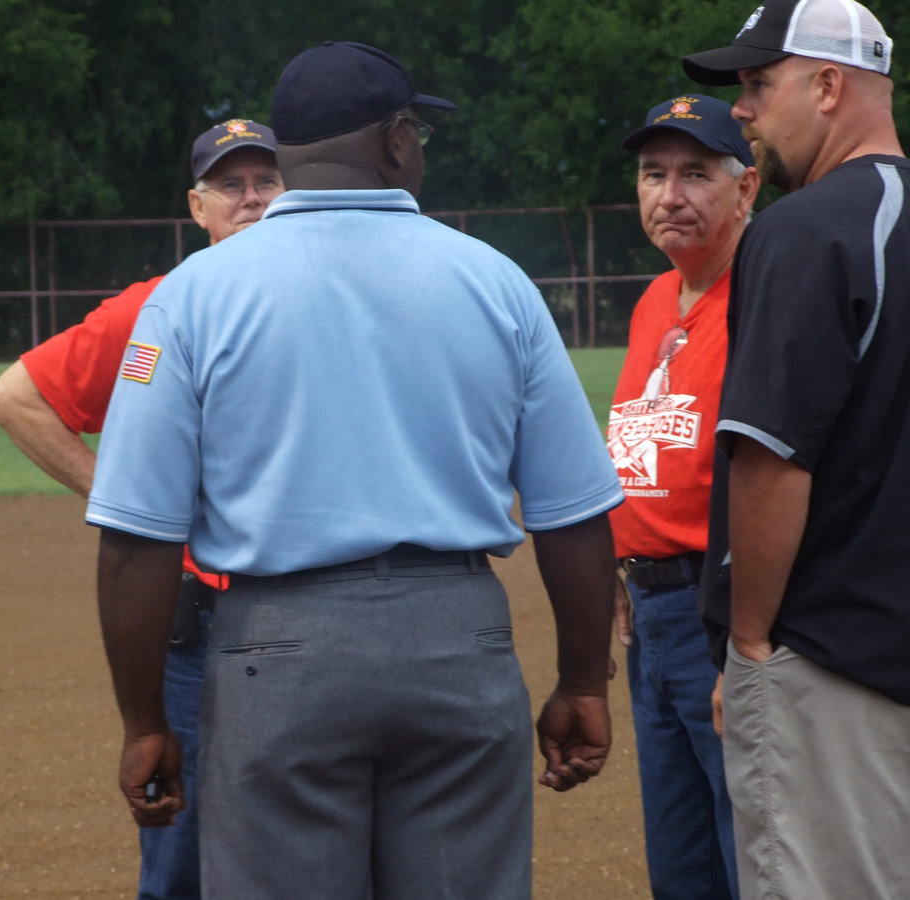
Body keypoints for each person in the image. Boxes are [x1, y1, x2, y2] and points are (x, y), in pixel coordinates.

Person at [85, 40, 623, 898]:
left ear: (289, 155)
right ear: (397, 139)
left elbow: (135, 538)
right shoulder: (498, 282)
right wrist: (582, 682)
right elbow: (574, 513)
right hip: (460, 640)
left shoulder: (192, 294)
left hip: (278, 650)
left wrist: (145, 721)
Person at [0, 118, 282, 900]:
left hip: (304, 619)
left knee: (298, 844)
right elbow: (14, 397)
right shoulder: (156, 307)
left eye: (266, 181)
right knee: (179, 854)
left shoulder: (325, 301)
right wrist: (121, 495)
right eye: (231, 185)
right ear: (198, 205)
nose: (250, 199)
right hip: (194, 625)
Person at [681, 1, 910, 897]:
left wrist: (746, 646)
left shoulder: (807, 228)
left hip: (829, 666)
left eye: (755, 84)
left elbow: (772, 462)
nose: (740, 111)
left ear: (827, 86)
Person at [608, 94, 758, 900]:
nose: (670, 194)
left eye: (695, 173)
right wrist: (616, 560)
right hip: (651, 613)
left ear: (747, 189)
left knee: (750, 852)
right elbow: (640, 454)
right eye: (653, 174)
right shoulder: (652, 301)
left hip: (720, 608)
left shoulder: (764, 296)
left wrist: (745, 634)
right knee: (681, 859)